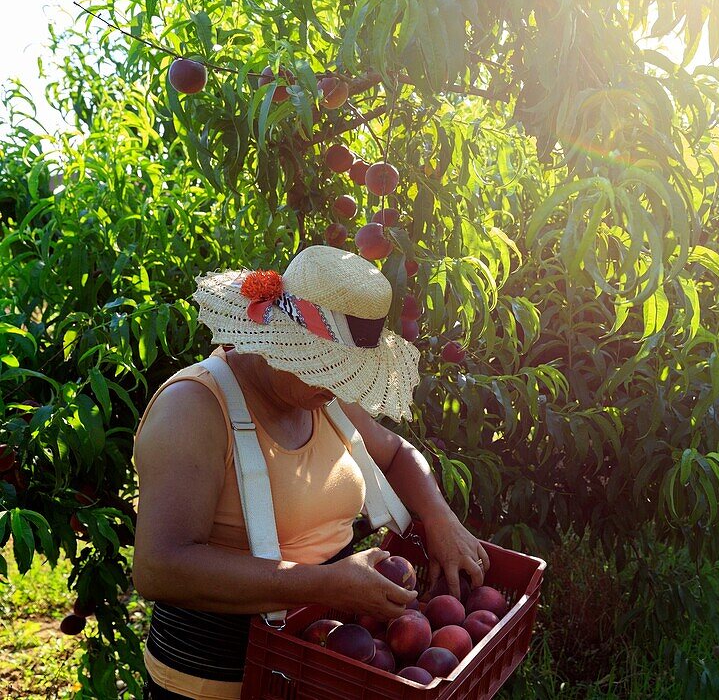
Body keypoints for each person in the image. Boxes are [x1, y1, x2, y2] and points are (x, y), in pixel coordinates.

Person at [132, 245, 489, 699]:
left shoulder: (323, 391)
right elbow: (159, 568)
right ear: (278, 341)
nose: (337, 384)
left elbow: (396, 453)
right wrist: (326, 584)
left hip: (323, 662)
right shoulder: (195, 408)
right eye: (323, 366)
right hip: (221, 680)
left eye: (343, 371)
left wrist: (440, 516)